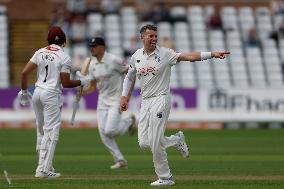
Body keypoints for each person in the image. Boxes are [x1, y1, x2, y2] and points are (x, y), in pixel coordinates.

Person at [120, 24, 230, 186]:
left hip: (161, 99)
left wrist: (212, 54)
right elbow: (129, 76)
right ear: (142, 37)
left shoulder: (165, 54)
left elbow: (189, 57)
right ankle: (176, 140)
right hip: (145, 102)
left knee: (156, 141)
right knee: (144, 143)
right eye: (151, 36)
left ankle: (166, 177)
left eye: (155, 36)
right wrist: (124, 96)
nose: (154, 39)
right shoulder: (136, 56)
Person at [18, 26, 90, 178]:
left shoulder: (40, 52)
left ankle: (44, 166)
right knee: (51, 133)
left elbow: (24, 73)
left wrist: (24, 92)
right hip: (51, 95)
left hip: (37, 93)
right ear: (64, 41)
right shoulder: (64, 56)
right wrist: (82, 82)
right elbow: (65, 83)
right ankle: (43, 170)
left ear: (48, 40)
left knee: (41, 131)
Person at [84, 37, 137, 169]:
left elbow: (131, 74)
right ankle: (120, 160)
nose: (91, 48)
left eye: (94, 46)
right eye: (90, 46)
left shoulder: (114, 60)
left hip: (116, 100)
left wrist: (127, 96)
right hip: (102, 102)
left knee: (110, 130)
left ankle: (130, 121)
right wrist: (82, 92)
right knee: (103, 134)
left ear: (102, 47)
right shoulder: (92, 64)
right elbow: (92, 86)